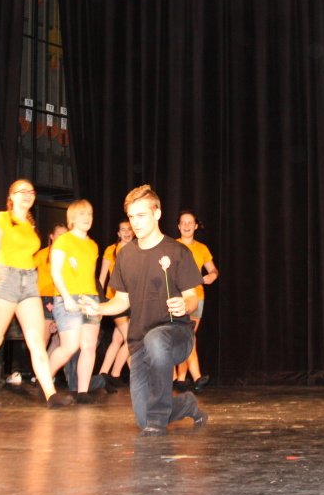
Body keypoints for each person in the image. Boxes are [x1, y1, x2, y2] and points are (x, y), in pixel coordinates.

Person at [99, 185, 208, 435]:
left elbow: (192, 298)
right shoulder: (125, 255)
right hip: (140, 344)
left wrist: (184, 304)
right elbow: (121, 301)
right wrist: (97, 307)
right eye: (131, 217)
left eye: (141, 215)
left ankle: (158, 418)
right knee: (142, 418)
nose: (135, 223)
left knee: (156, 338)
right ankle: (186, 404)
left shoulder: (178, 251)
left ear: (157, 214)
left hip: (176, 335)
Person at [0, 180, 73, 407]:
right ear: (11, 196)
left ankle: (50, 394)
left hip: (29, 281)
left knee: (36, 340)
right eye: (22, 192)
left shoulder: (30, 224)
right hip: (5, 278)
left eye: (31, 192)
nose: (28, 195)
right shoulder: (1, 217)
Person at [48, 200, 103, 402]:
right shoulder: (63, 241)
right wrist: (65, 297)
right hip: (67, 297)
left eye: (89, 214)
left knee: (89, 346)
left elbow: (89, 275)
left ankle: (82, 392)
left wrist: (96, 303)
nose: (87, 217)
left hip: (90, 298)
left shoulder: (93, 245)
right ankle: (44, 380)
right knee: (69, 346)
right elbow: (55, 271)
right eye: (82, 214)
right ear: (72, 218)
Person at [173, 210, 219, 392]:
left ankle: (182, 378)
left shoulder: (202, 248)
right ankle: (189, 377)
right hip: (177, 298)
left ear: (196, 226)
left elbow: (213, 270)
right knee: (185, 337)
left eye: (190, 222)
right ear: (178, 226)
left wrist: (212, 276)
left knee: (188, 337)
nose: (186, 225)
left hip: (197, 297)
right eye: (183, 222)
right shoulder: (172, 246)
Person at [96, 220, 134, 392]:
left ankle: (106, 374)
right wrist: (101, 303)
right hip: (115, 300)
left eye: (129, 229)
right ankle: (136, 377)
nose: (126, 232)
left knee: (118, 339)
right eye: (123, 230)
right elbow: (102, 278)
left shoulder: (137, 249)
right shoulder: (111, 250)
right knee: (131, 339)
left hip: (133, 301)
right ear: (118, 233)